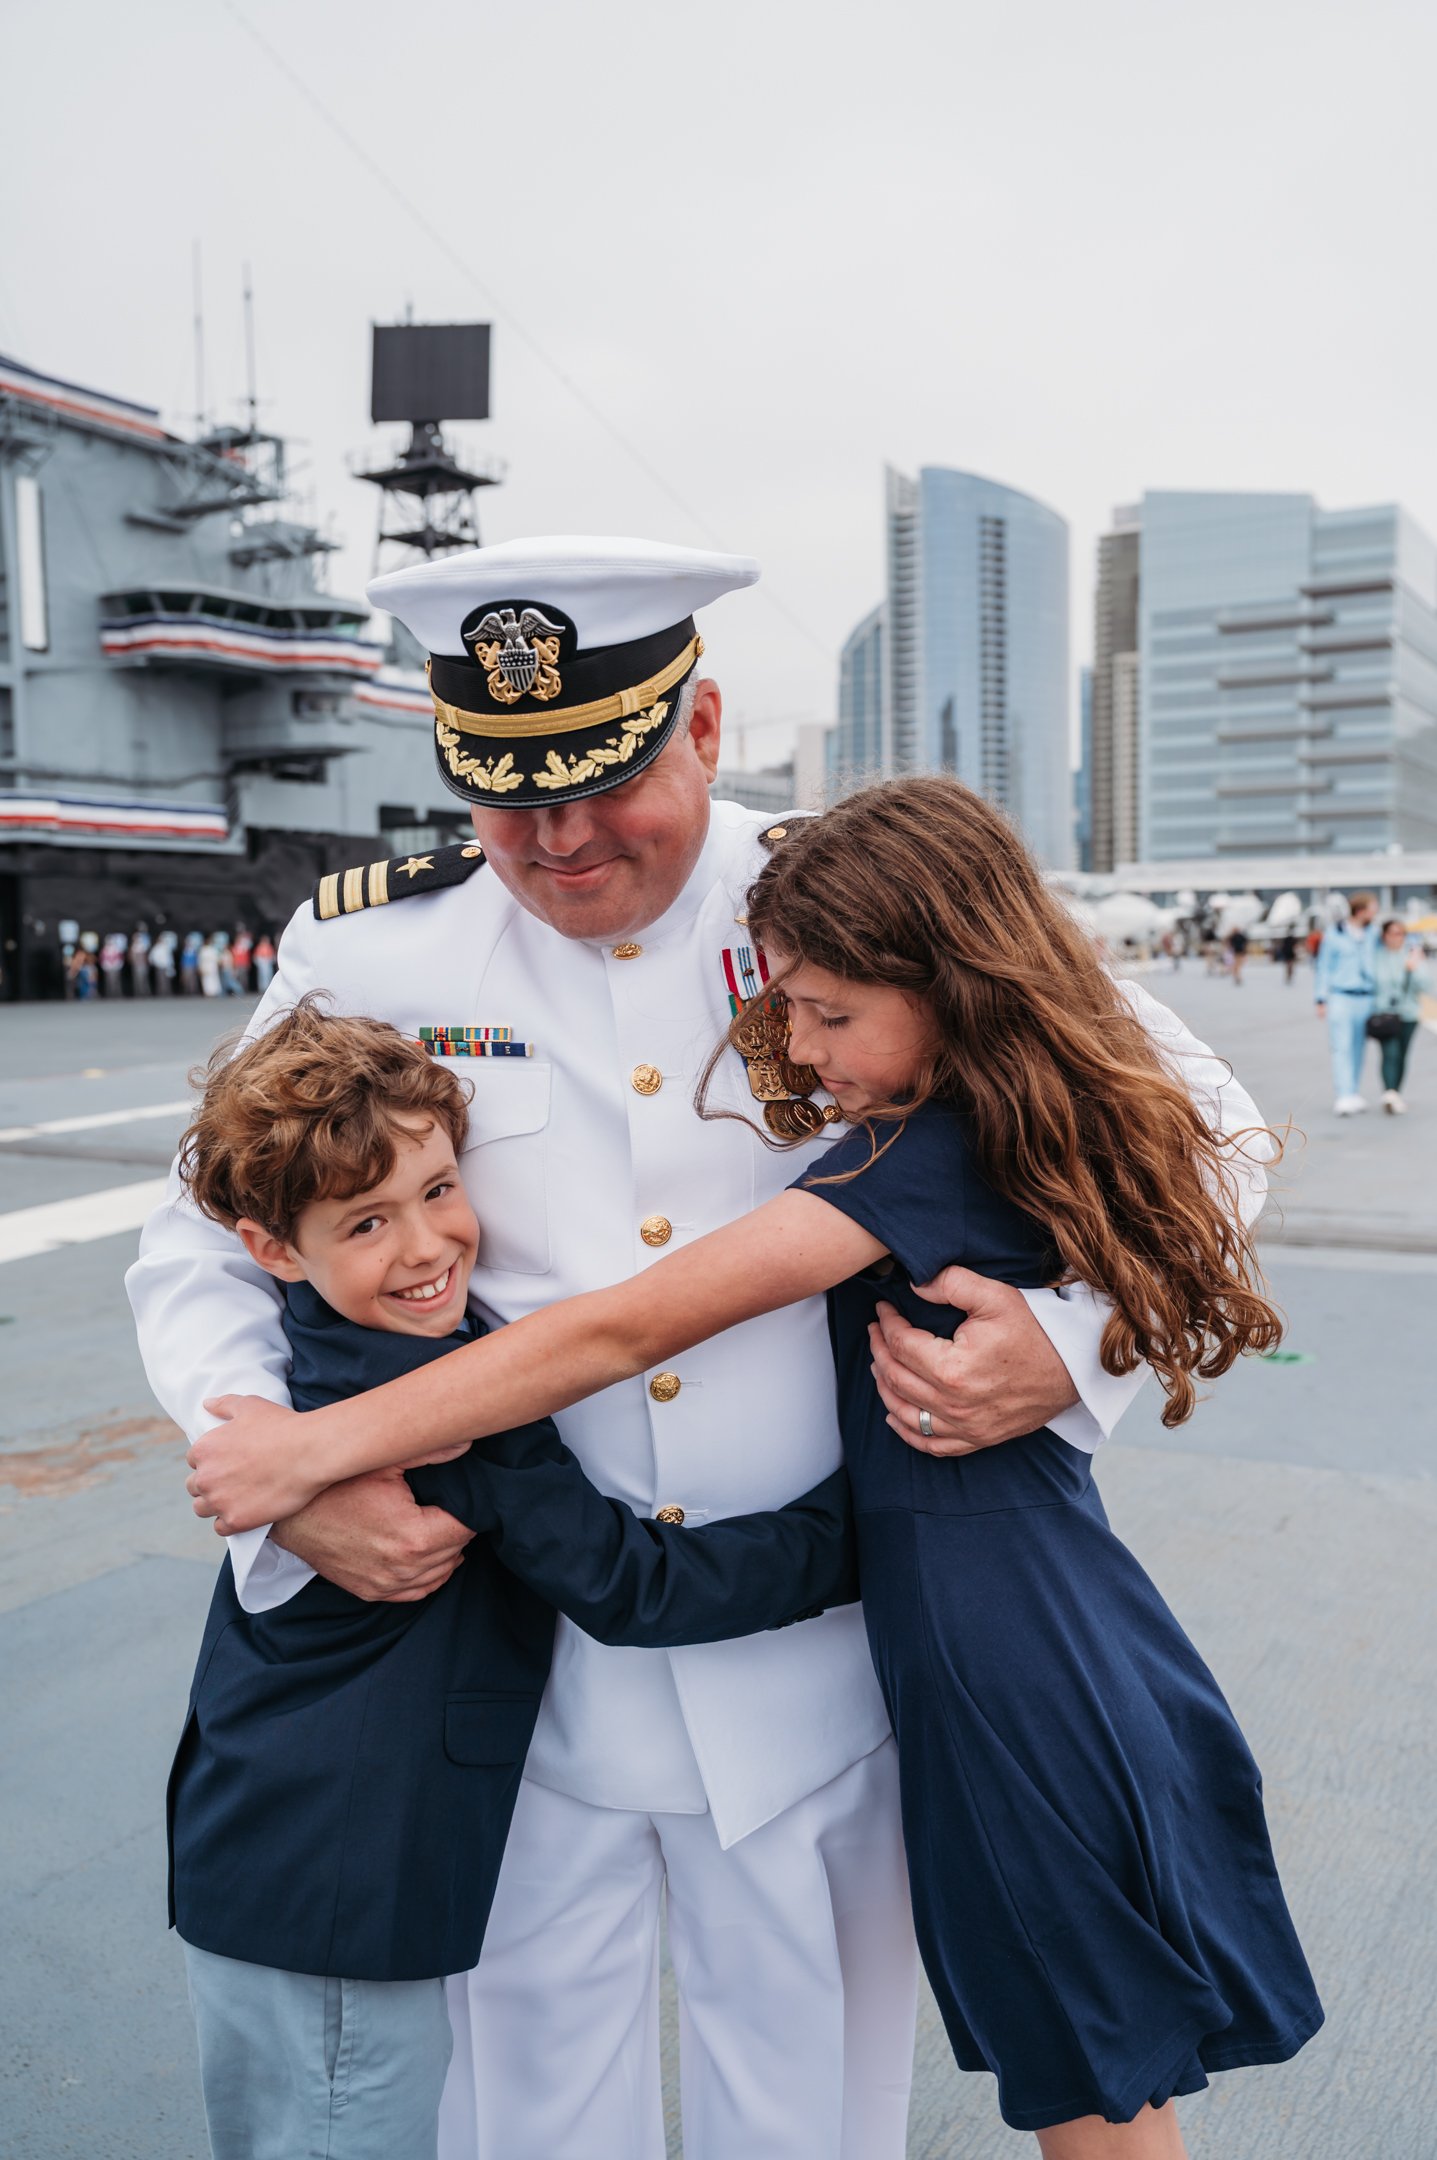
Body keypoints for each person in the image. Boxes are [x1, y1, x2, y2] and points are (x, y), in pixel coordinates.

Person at [130, 536, 1268, 2160]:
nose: (559, 837)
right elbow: (199, 1228)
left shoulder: (857, 895)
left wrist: (1066, 1346)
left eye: (604, 780)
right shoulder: (379, 952)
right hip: (510, 1679)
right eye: (507, 795)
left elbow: (1205, 1131)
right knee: (526, 2126)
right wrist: (279, 1468)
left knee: (811, 2125)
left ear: (707, 726)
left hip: (819, 1665)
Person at [166, 999, 856, 2160]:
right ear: (272, 1249)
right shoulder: (443, 1411)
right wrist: (866, 1531)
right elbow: (638, 1588)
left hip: (277, 1843)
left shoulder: (326, 1348)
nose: (426, 1246)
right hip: (339, 1883)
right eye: (367, 1222)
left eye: (439, 1191)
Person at [1314, 892, 1378, 1114]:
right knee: (1341, 1046)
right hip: (1341, 995)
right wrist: (1320, 998)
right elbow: (1323, 967)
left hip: (1367, 996)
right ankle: (1343, 1095)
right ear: (1361, 910)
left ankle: (1353, 1091)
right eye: (1373, 908)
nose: (1375, 912)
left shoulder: (1373, 933)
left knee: (1359, 1046)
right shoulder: (1334, 934)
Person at [1369, 919, 1433, 1113]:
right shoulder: (1375, 956)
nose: (1397, 938)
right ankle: (1389, 1092)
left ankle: (1395, 1092)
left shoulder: (1412, 955)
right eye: (1392, 933)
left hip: (1408, 1014)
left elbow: (1426, 986)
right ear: (1384, 935)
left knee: (1402, 1054)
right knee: (1390, 1052)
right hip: (1384, 1013)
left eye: (1400, 934)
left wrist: (1413, 969)